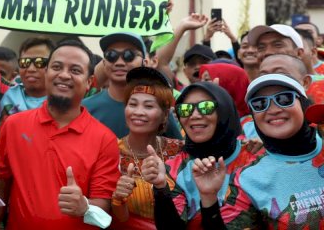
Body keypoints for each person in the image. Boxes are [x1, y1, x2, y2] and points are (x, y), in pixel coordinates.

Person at [0, 40, 120, 229]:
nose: (64, 75)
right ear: (46, 74)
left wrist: (84, 207)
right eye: (57, 67)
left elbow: (104, 207)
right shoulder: (13, 125)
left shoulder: (105, 140)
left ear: (89, 82)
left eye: (75, 70)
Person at [204, 74, 324, 228]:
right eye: (260, 104)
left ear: (303, 104)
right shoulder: (246, 179)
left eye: (284, 99)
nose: (273, 110)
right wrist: (208, 200)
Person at [141, 82, 261, 229]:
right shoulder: (174, 168)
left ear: (224, 110)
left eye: (206, 107)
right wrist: (160, 189)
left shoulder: (255, 157)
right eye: (185, 109)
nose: (195, 115)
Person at [111, 67, 184, 229]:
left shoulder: (179, 151)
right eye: (133, 104)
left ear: (164, 115)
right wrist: (118, 199)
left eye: (148, 106)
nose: (138, 112)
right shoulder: (110, 153)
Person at [83, 32, 182, 139]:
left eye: (128, 55)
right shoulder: (85, 108)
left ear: (144, 62)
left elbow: (181, 152)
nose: (119, 62)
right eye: (111, 55)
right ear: (104, 63)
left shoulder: (159, 106)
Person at [199, 62, 252, 133]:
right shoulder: (197, 118)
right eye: (201, 80)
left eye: (206, 79)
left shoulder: (251, 126)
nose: (201, 84)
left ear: (228, 84)